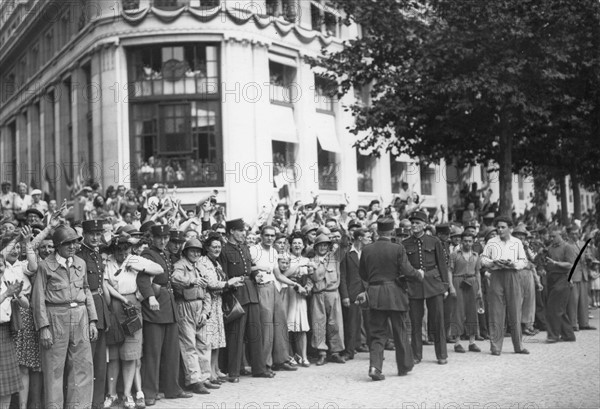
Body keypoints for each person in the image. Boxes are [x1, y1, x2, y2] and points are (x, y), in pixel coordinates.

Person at [32, 225, 99, 409]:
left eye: (75, 242)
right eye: (67, 243)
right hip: (56, 317)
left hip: (80, 316)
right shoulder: (46, 266)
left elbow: (86, 290)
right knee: (54, 369)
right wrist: (43, 327)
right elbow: (38, 299)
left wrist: (92, 321)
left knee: (82, 366)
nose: (72, 246)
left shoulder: (80, 263)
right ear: (57, 246)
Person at [357, 217, 424, 381]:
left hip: (375, 295)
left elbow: (363, 274)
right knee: (400, 331)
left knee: (377, 334)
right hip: (395, 295)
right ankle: (404, 366)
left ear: (377, 232)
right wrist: (419, 275)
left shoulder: (367, 249)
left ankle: (375, 367)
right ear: (392, 231)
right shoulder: (397, 248)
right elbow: (408, 271)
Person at [104, 232, 163, 409]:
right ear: (113, 250)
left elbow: (159, 270)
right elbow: (105, 283)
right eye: (119, 251)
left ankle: (128, 394)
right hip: (113, 305)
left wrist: (139, 268)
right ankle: (112, 394)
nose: (122, 254)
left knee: (130, 354)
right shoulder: (108, 262)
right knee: (113, 354)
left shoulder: (135, 259)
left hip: (132, 306)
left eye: (125, 250)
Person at [137, 224, 192, 406]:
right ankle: (150, 392)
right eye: (159, 237)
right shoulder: (147, 255)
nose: (163, 241)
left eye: (166, 237)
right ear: (151, 237)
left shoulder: (165, 255)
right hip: (154, 307)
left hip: (168, 307)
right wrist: (151, 297)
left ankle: (172, 388)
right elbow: (143, 280)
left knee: (171, 352)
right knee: (153, 353)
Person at [218, 218, 271, 382]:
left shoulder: (245, 248)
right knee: (235, 335)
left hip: (251, 293)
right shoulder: (224, 250)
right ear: (232, 231)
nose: (244, 234)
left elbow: (249, 267)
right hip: (236, 296)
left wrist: (256, 275)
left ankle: (259, 369)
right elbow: (224, 276)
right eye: (240, 231)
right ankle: (233, 371)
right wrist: (229, 296)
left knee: (255, 333)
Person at [403, 210, 450, 365]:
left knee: (437, 320)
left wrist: (445, 285)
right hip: (414, 284)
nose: (414, 226)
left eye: (418, 223)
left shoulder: (434, 241)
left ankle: (442, 354)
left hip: (434, 283)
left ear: (424, 224)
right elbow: (404, 266)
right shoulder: (405, 243)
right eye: (413, 223)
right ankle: (416, 355)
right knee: (415, 321)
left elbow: (442, 264)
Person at [172, 238, 217, 395]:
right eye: (192, 251)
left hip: (200, 305)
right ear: (185, 252)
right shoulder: (180, 265)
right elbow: (174, 278)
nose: (196, 253)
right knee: (188, 344)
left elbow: (207, 291)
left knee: (204, 343)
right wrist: (192, 280)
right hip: (185, 305)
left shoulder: (200, 266)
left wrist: (206, 311)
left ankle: (204, 377)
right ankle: (194, 380)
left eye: (198, 251)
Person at [250, 225, 297, 372]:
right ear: (261, 236)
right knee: (267, 327)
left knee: (280, 323)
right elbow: (245, 269)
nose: (270, 238)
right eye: (267, 235)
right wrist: (259, 269)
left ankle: (281, 360)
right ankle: (264, 364)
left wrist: (295, 284)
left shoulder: (274, 251)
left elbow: (278, 275)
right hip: (261, 288)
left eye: (272, 236)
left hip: (273, 287)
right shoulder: (253, 250)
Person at [198, 233, 245, 383]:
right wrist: (229, 283)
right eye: (214, 247)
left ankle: (216, 369)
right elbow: (211, 283)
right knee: (210, 339)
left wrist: (229, 284)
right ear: (207, 248)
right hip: (208, 303)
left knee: (217, 338)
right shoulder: (203, 262)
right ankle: (209, 373)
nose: (217, 249)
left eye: (219, 246)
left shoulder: (216, 263)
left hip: (218, 302)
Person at [2, 227, 40, 409]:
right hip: (6, 316)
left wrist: (26, 243)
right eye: (13, 247)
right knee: (7, 367)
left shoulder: (22, 265)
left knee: (23, 365)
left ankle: (22, 406)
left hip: (23, 315)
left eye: (18, 248)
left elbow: (34, 267)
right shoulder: (2, 265)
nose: (16, 251)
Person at [481, 216, 529, 355]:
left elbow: (523, 261)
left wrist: (514, 264)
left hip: (512, 275)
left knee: (515, 311)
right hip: (496, 275)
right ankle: (496, 347)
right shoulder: (491, 242)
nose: (500, 230)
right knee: (496, 311)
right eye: (498, 227)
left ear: (510, 228)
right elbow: (483, 259)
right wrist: (493, 263)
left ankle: (518, 346)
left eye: (503, 227)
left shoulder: (517, 242)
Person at [77, 219, 111, 409]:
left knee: (100, 362)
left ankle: (97, 402)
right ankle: (85, 402)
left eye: (99, 234)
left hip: (100, 309)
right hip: (87, 312)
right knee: (86, 360)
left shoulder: (96, 255)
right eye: (93, 234)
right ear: (85, 234)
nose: (96, 238)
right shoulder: (79, 255)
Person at [307, 234, 346, 366]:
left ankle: (336, 352)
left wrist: (339, 233)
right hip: (318, 294)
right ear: (316, 247)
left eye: (325, 245)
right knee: (318, 323)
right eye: (320, 245)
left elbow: (344, 243)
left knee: (335, 322)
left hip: (332, 293)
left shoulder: (335, 258)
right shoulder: (311, 261)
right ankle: (322, 353)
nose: (323, 247)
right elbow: (309, 280)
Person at [0, 254, 28, 409]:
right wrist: (6, 295)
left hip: (5, 333)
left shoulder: (7, 283)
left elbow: (26, 305)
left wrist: (18, 296)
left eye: (1, 265)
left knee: (6, 385)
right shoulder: (6, 289)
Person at [448, 231, 482, 353]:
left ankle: (472, 342)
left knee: (472, 311)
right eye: (465, 241)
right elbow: (450, 271)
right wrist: (451, 287)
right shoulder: (454, 255)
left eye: (470, 241)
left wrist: (480, 289)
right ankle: (457, 342)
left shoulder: (476, 255)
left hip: (472, 282)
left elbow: (478, 272)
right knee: (458, 311)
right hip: (458, 281)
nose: (467, 243)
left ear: (473, 242)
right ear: (461, 242)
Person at [340, 228, 371, 361]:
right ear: (359, 238)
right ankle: (349, 351)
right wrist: (345, 295)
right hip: (352, 293)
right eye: (367, 237)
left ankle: (375, 351)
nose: (370, 239)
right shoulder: (347, 253)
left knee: (371, 323)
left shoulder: (369, 253)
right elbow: (343, 276)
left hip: (368, 292)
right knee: (351, 324)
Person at [282, 232, 312, 367]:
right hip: (288, 293)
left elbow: (311, 278)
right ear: (290, 245)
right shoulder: (285, 258)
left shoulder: (306, 260)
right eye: (294, 243)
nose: (297, 245)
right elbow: (282, 275)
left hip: (301, 296)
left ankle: (303, 356)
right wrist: (298, 268)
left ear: (304, 245)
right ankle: (289, 355)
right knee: (288, 325)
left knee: (302, 327)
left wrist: (308, 287)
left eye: (300, 243)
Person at [544, 228, 578, 343]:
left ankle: (553, 336)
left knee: (554, 308)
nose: (551, 238)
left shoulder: (567, 247)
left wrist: (556, 263)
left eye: (554, 236)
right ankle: (568, 335)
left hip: (563, 279)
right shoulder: (550, 248)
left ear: (561, 235)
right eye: (550, 236)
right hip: (552, 279)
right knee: (559, 309)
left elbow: (570, 264)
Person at [566, 225, 596, 331]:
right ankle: (573, 324)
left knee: (584, 301)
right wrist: (569, 278)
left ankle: (584, 323)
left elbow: (589, 257)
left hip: (584, 275)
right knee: (573, 301)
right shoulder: (567, 246)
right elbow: (568, 263)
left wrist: (589, 259)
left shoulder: (583, 244)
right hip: (574, 276)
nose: (575, 235)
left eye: (576, 233)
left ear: (579, 233)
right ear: (568, 234)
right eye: (572, 233)